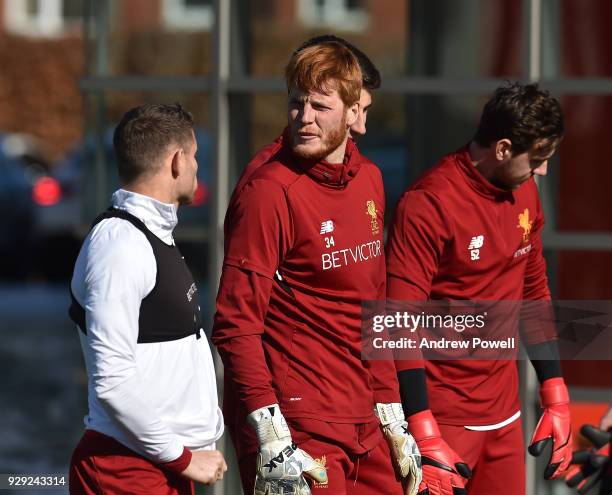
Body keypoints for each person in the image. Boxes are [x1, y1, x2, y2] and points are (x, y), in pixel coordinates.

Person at [212, 42, 421, 494]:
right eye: (296, 103)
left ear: (352, 112)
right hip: (299, 422)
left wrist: (393, 414)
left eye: (320, 106)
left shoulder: (370, 180)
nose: (304, 117)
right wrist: (270, 435)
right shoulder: (269, 190)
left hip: (364, 418)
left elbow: (374, 308)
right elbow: (235, 325)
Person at [386, 82, 572, 494]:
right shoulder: (428, 203)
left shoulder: (525, 191)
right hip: (444, 421)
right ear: (503, 149)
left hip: (505, 418)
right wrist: (422, 427)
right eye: (537, 158)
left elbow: (534, 292)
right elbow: (399, 323)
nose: (542, 170)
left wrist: (554, 391)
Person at [68, 104, 226, 495]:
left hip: (160, 465)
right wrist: (184, 458)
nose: (195, 168)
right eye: (194, 157)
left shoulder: (152, 234)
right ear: (176, 161)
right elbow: (112, 381)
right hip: (126, 470)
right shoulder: (119, 245)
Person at [229, 34, 381, 207]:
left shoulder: (368, 175)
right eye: (299, 103)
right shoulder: (265, 186)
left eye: (364, 110)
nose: (361, 128)